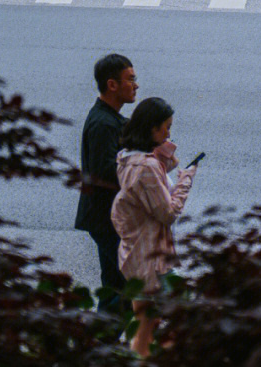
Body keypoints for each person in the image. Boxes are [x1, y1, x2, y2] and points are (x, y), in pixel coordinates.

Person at [111, 96, 198, 359]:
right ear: (151, 128)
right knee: (154, 326)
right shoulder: (148, 167)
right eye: (165, 128)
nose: (168, 133)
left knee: (144, 321)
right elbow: (168, 213)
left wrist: (163, 150)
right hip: (151, 258)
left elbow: (157, 173)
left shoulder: (126, 158)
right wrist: (185, 181)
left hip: (134, 252)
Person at [75, 52, 138, 311]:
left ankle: (103, 346)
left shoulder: (110, 118)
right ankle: (106, 345)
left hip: (105, 218)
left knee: (114, 288)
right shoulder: (104, 124)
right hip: (106, 219)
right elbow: (105, 171)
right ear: (112, 85)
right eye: (130, 80)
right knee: (124, 291)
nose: (135, 85)